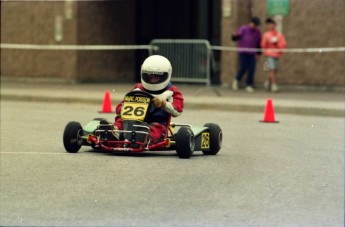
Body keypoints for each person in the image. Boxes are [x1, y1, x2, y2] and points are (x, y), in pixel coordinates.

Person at [114, 55, 184, 142]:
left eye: (156, 77)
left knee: (156, 128)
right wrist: (123, 109)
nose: (152, 80)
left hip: (157, 124)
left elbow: (178, 110)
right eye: (150, 76)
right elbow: (119, 107)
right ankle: (115, 132)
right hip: (134, 123)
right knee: (121, 120)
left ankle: (144, 137)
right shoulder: (138, 89)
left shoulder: (171, 91)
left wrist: (163, 104)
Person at [231, 17, 262, 93]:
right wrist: (234, 35)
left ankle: (249, 85)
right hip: (243, 52)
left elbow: (258, 43)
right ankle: (236, 80)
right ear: (250, 23)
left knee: (252, 68)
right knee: (243, 68)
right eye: (254, 24)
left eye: (256, 25)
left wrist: (258, 53)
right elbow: (236, 37)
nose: (255, 26)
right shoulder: (244, 29)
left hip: (252, 53)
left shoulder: (257, 32)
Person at [261, 18, 287, 92]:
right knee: (271, 69)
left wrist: (276, 44)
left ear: (274, 25)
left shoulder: (279, 35)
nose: (270, 26)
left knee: (274, 70)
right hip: (268, 55)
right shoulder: (266, 35)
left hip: (276, 55)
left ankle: (267, 82)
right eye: (268, 24)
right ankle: (273, 85)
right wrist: (266, 43)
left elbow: (283, 44)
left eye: (271, 24)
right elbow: (263, 45)